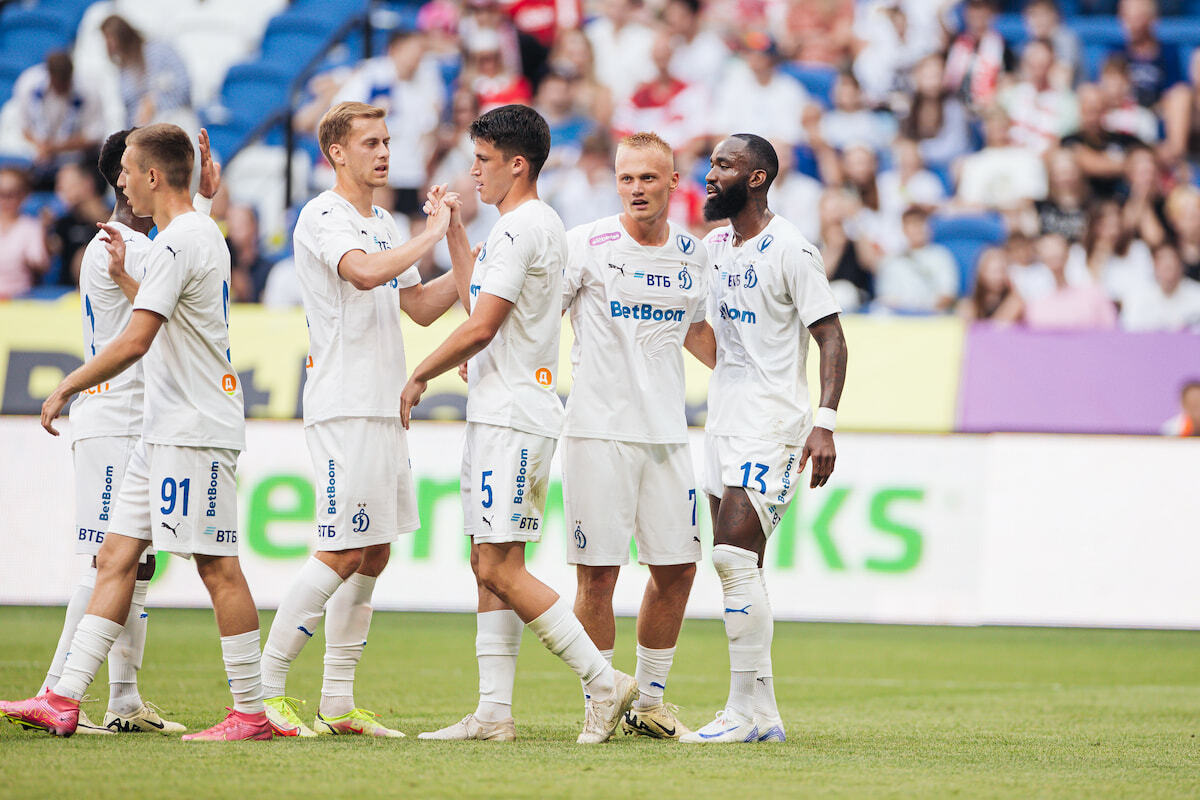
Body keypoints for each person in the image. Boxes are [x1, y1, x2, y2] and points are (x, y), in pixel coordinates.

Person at [1, 123, 269, 741]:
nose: (118, 181)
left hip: (192, 425)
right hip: (157, 425)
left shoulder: (179, 241)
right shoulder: (184, 237)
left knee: (216, 566)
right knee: (116, 557)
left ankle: (250, 711)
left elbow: (138, 337)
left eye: (126, 170)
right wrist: (203, 196)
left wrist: (67, 384)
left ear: (151, 176)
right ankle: (64, 697)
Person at [402, 104, 637, 744]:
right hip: (504, 409)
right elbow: (477, 295)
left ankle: (603, 679)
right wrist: (452, 229)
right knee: (488, 561)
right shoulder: (529, 224)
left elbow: (481, 324)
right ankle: (493, 713)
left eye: (482, 161)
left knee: (502, 567)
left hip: (513, 416)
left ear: (517, 164)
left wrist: (419, 373)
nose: (473, 172)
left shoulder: (520, 227)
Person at [258, 102, 459, 739]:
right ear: (336, 153)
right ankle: (260, 694)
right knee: (343, 547)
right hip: (343, 402)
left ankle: (338, 703)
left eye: (387, 140)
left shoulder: (384, 220)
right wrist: (427, 235)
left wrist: (468, 251)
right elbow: (366, 273)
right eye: (370, 142)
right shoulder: (324, 214)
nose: (383, 151)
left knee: (375, 552)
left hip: (383, 404)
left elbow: (421, 308)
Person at [681, 134, 846, 744]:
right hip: (723, 421)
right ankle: (765, 717)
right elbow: (707, 334)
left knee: (730, 557)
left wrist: (822, 422)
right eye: (712, 163)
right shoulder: (713, 246)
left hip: (775, 424)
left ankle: (738, 713)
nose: (710, 174)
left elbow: (831, 336)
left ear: (756, 178)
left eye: (724, 165)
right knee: (741, 565)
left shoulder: (792, 250)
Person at [559, 132, 713, 741]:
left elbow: (698, 332)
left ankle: (647, 700)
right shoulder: (586, 245)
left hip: (667, 436)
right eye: (626, 179)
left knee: (678, 569)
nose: (636, 190)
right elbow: (541, 315)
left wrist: (750, 377)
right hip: (599, 431)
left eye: (649, 178)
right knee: (598, 575)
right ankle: (600, 696)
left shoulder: (694, 254)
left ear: (674, 183)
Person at [12, 51, 106, 190]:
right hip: (38, 157)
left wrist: (56, 148)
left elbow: (93, 136)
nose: (62, 86)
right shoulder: (28, 84)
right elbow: (23, 127)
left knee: (77, 182)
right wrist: (42, 147)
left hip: (77, 160)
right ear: (49, 75)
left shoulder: (88, 91)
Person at [100, 15, 193, 128]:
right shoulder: (124, 72)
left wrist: (154, 103)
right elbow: (128, 113)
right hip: (143, 133)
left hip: (174, 122)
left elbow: (184, 86)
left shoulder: (160, 51)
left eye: (110, 38)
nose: (108, 44)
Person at [873, 206, 959, 313]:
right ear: (904, 229)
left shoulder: (942, 256)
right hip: (900, 321)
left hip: (933, 319)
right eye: (912, 224)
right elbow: (886, 299)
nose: (918, 228)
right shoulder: (891, 261)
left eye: (921, 223)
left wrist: (922, 310)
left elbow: (948, 295)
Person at [1024, 232, 1118, 329]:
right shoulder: (1036, 304)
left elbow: (1110, 330)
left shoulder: (1093, 294)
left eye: (1056, 253)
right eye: (1048, 252)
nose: (1052, 254)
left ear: (1067, 253)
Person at [49, 163, 111, 287]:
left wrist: (93, 211)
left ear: (87, 183)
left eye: (64, 183)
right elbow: (47, 257)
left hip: (105, 286)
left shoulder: (113, 215)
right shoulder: (63, 221)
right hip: (69, 291)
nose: (59, 189)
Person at [1120, 242, 1200, 331]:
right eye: (1164, 266)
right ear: (1154, 266)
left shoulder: (1197, 294)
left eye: (1171, 266)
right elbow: (1130, 329)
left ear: (1181, 266)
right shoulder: (1138, 296)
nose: (1168, 272)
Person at [0, 167, 49, 299]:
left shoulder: (31, 227)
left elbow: (39, 263)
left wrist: (45, 235)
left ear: (23, 195)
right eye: (1, 193)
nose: (5, 200)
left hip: (18, 300)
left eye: (12, 194)